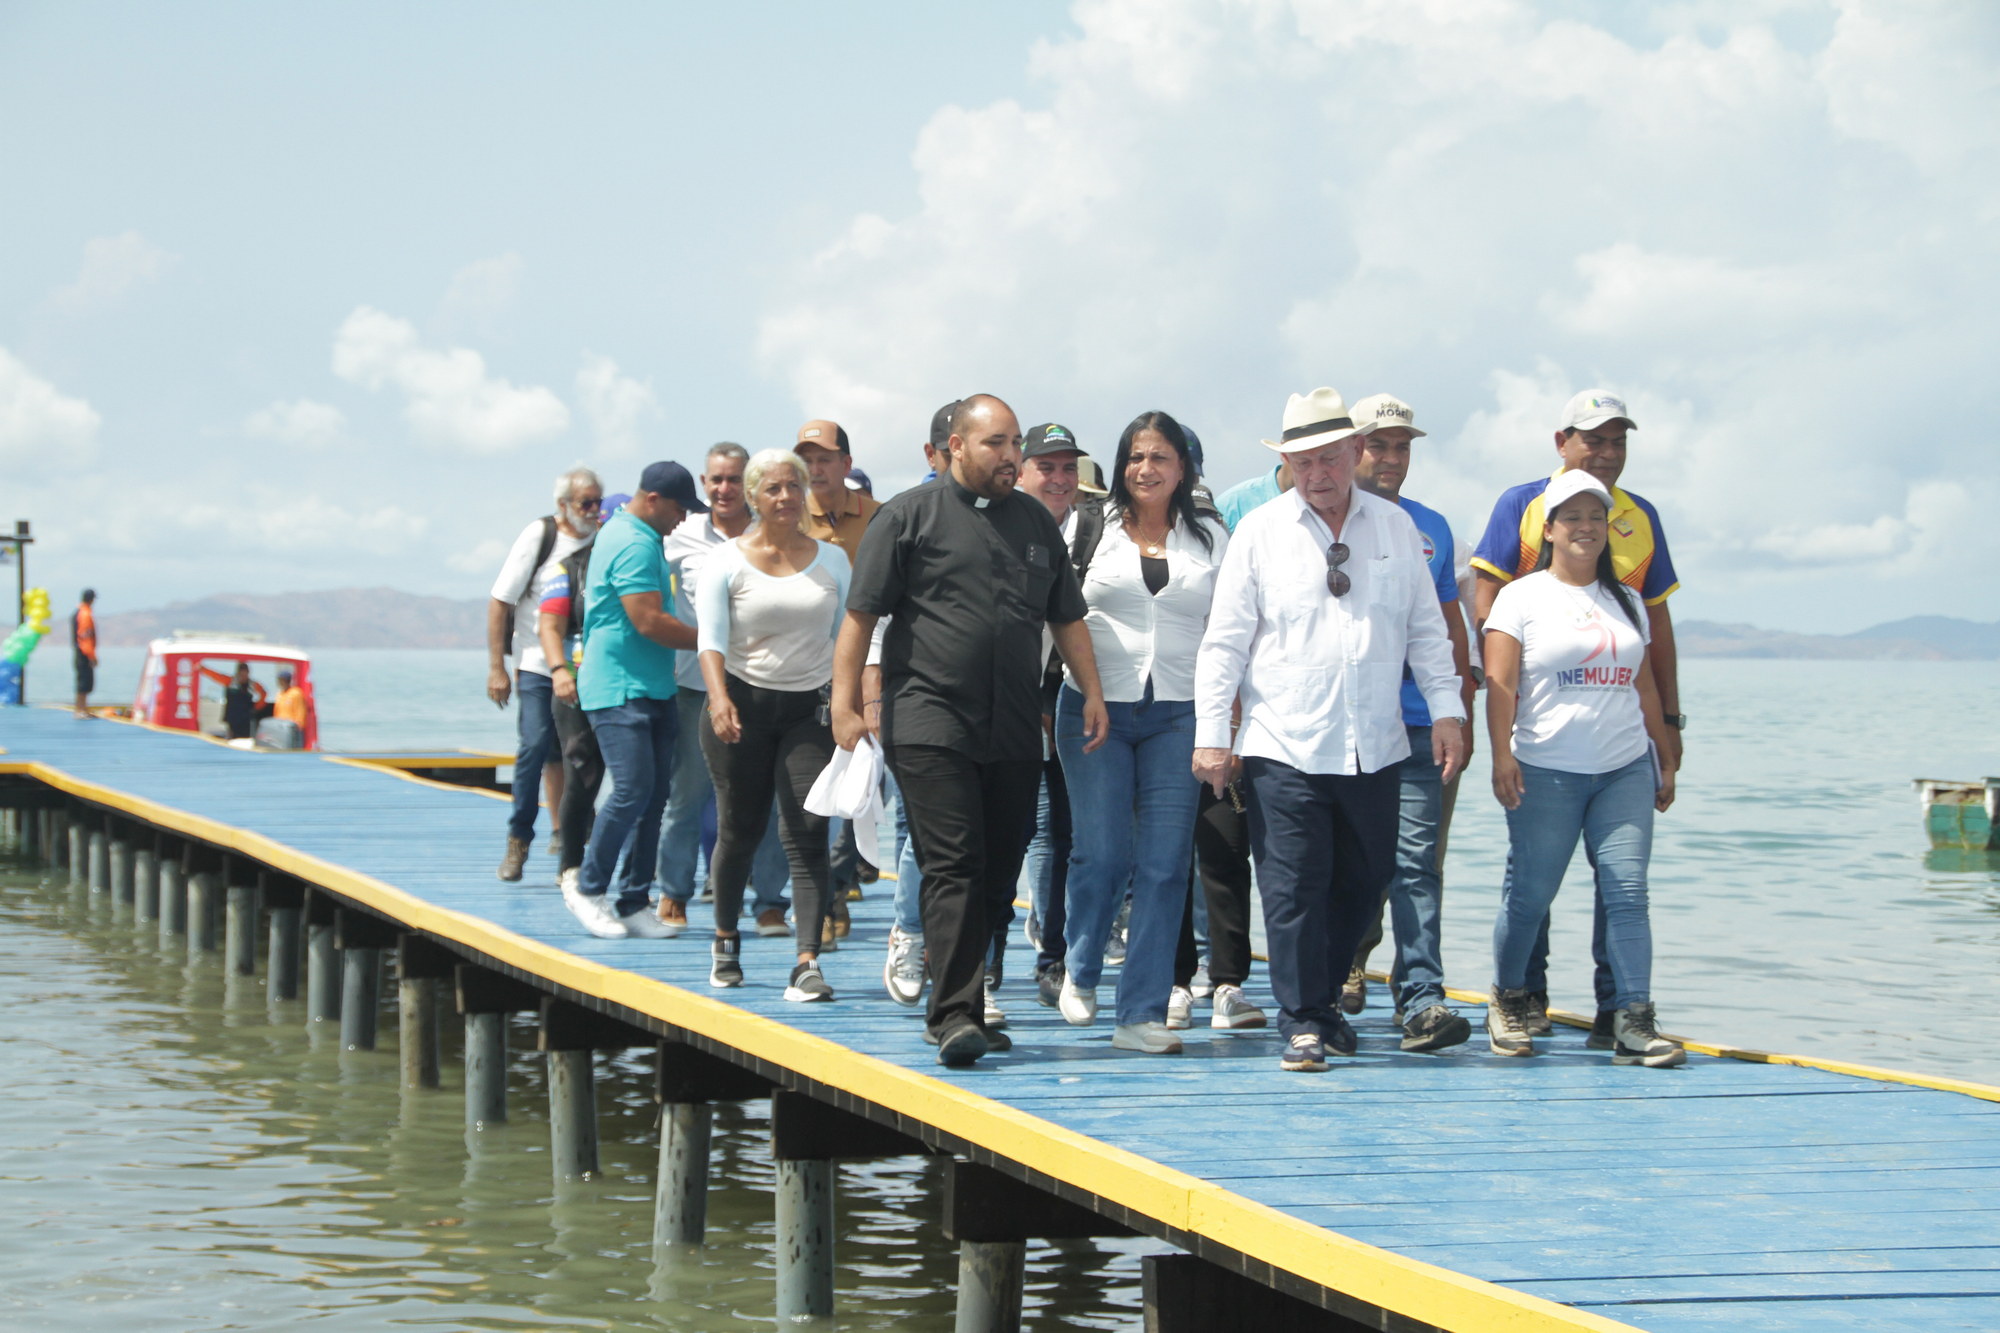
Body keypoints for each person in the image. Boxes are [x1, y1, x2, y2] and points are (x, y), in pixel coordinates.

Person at [1193, 388, 1467, 1072]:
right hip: (1282, 738)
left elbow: (1427, 630)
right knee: (1291, 884)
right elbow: (1224, 640)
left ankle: (1316, 996)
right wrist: (1211, 733)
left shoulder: (1397, 528)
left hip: (1373, 739)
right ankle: (1303, 1018)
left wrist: (1449, 709)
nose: (1319, 472)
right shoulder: (1259, 530)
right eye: (1304, 459)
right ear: (1287, 461)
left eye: (1330, 457)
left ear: (1356, 452)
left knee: (1367, 876)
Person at [834, 393, 1109, 1067]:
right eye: (996, 443)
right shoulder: (906, 517)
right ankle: (955, 1013)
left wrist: (1093, 691)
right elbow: (860, 618)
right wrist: (845, 704)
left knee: (998, 868)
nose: (1010, 456)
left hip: (1014, 724)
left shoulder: (1036, 526)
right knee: (954, 862)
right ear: (954, 446)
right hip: (929, 719)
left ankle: (969, 991)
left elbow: (1066, 617)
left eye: (1015, 443)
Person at [1469, 390, 1683, 1041]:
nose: (1586, 525)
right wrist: (1502, 754)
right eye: (1573, 516)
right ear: (1550, 528)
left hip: (1622, 768)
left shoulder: (1629, 601)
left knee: (1627, 891)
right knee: (1530, 895)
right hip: (1548, 768)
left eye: (1597, 516)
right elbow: (1500, 683)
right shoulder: (1521, 598)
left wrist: (1665, 747)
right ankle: (1510, 997)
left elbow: (1644, 680)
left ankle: (1632, 1017)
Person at [1055, 411, 1231, 1055]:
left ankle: (1142, 1013)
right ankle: (1080, 966)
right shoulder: (1085, 528)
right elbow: (1057, 613)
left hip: (1180, 713)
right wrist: (1089, 689)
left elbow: (1232, 629)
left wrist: (1225, 718)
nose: (1145, 469)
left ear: (1183, 468)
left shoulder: (1211, 536)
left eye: (1160, 457)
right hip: (1093, 707)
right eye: (1134, 457)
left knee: (1164, 866)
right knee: (1101, 855)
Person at [1339, 393, 1476, 1052]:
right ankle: (1334, 973)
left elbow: (1446, 623)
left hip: (1421, 722)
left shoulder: (1433, 528)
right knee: (1349, 861)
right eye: (1377, 444)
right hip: (1349, 723)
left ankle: (1421, 996)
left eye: (1402, 446)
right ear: (1349, 447)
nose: (1391, 458)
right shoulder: (1325, 518)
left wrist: (1458, 707)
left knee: (1418, 864)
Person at [697, 449, 851, 1002]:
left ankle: (806, 961)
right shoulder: (727, 561)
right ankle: (725, 940)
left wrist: (851, 705)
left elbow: (849, 638)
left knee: (808, 832)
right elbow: (710, 639)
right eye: (774, 489)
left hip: (808, 711)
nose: (786, 498)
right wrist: (718, 700)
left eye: (794, 487)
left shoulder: (833, 561)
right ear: (754, 497)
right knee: (739, 829)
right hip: (740, 706)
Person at [564, 461, 706, 940]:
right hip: (618, 685)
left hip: (653, 685)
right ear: (653, 500)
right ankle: (587, 887)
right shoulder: (629, 539)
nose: (683, 518)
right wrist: (713, 642)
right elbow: (647, 620)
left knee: (655, 796)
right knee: (631, 790)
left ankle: (631, 899)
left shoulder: (644, 537)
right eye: (680, 508)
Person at [658, 445, 792, 937]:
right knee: (687, 796)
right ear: (703, 482)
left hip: (765, 685)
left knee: (773, 799)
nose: (724, 489)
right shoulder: (682, 537)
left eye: (734, 479)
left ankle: (771, 903)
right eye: (715, 479)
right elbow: (642, 584)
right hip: (696, 686)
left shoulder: (772, 534)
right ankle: (674, 893)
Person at [878, 400, 961, 1008]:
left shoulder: (1009, 515)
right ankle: (909, 934)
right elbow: (872, 618)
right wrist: (867, 700)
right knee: (919, 837)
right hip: (915, 703)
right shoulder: (905, 516)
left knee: (965, 843)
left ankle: (965, 966)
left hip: (988, 709)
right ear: (936, 453)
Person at [488, 467, 603, 881]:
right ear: (562, 505)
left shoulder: (603, 539)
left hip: (587, 668)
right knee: (535, 746)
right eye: (585, 503)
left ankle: (570, 843)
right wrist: (496, 667)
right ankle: (518, 840)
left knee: (578, 754)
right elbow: (500, 600)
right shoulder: (540, 537)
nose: (593, 511)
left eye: (598, 502)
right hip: (538, 663)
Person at [795, 418, 883, 939]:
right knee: (807, 794)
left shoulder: (880, 517)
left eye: (825, 457)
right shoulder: (785, 519)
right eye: (806, 457)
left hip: (868, 671)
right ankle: (819, 901)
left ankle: (836, 887)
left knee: (865, 791)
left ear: (847, 465)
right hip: (804, 675)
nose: (816, 468)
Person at [1015, 421, 1089, 1009]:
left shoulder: (1093, 531)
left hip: (1071, 701)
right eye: (1047, 467)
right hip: (1010, 704)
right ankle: (982, 968)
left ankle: (1055, 955)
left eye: (1068, 468)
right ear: (1021, 469)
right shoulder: (1003, 523)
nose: (1059, 479)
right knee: (1020, 835)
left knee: (1063, 835)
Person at [535, 499, 625, 889]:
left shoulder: (647, 564)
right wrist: (559, 671)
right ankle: (570, 864)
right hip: (577, 686)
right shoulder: (567, 568)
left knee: (637, 783)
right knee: (582, 777)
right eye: (609, 526)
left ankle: (635, 867)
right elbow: (550, 626)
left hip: (630, 686)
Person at [70, 589, 97, 717]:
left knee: (84, 681)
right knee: (84, 682)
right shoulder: (85, 614)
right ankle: (80, 709)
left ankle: (82, 708)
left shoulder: (79, 612)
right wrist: (91, 655)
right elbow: (85, 637)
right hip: (83, 652)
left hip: (80, 651)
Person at [222, 661, 261, 739]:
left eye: (245, 671)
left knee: (246, 739)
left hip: (246, 720)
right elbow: (215, 675)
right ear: (238, 672)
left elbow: (263, 694)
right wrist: (203, 669)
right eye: (241, 671)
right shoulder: (230, 681)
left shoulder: (253, 684)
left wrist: (256, 707)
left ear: (248, 672)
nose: (243, 674)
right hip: (232, 719)